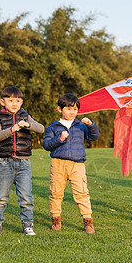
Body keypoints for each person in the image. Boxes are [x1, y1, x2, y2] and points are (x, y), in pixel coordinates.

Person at [0, 86, 45, 236]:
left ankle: (28, 225)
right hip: (5, 163)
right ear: (2, 102)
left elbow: (41, 128)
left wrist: (29, 125)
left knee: (26, 197)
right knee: (1, 197)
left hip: (23, 163)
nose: (14, 103)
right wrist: (11, 130)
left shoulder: (26, 116)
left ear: (22, 102)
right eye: (10, 100)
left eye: (18, 100)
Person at [42, 93, 100, 233]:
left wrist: (91, 124)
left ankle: (88, 222)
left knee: (82, 193)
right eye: (68, 109)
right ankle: (56, 219)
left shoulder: (80, 125)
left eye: (74, 109)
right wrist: (59, 139)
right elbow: (46, 145)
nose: (72, 112)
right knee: (56, 193)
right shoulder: (53, 127)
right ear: (59, 109)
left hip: (77, 164)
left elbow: (94, 136)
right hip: (58, 163)